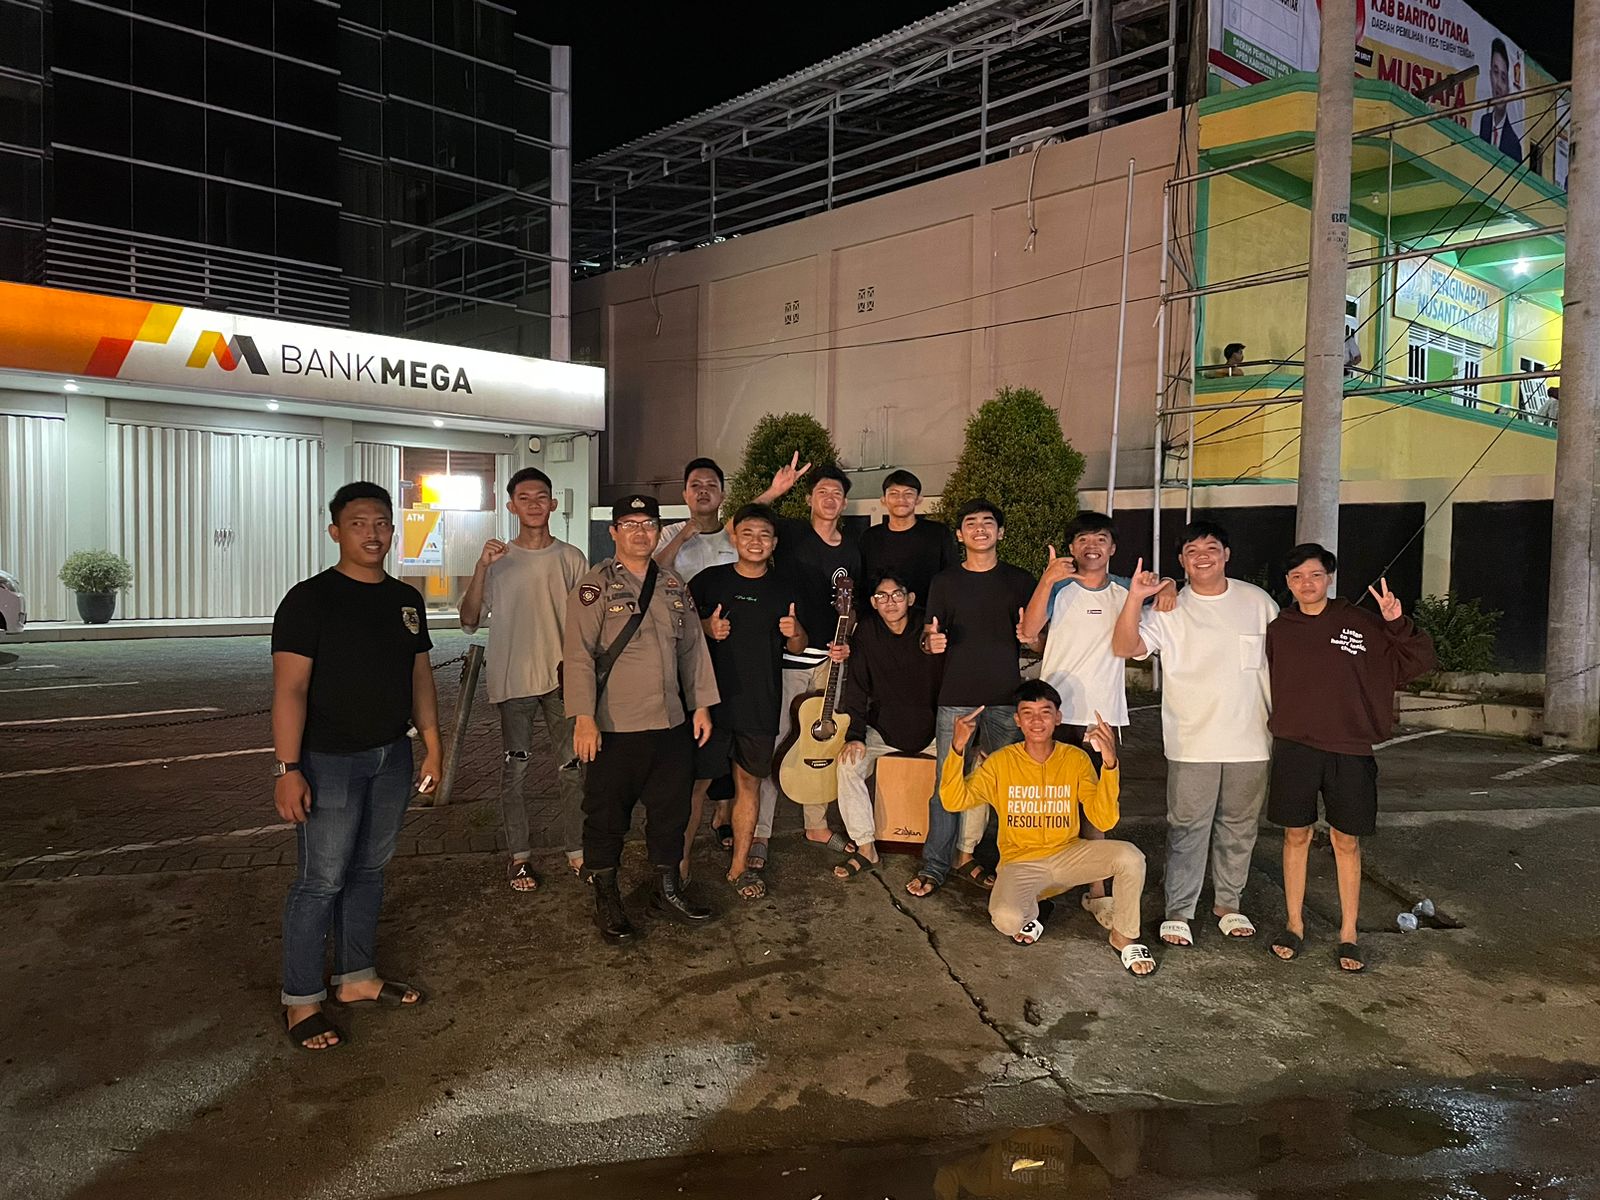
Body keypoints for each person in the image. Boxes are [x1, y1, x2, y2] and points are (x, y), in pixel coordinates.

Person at [271, 481, 440, 1052]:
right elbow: (290, 689)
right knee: (321, 880)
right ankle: (301, 999)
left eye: (382, 523)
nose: (373, 533)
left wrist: (434, 745)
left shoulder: (406, 600)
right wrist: (288, 768)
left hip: (391, 756)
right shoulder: (309, 600)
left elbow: (420, 676)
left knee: (370, 869)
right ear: (335, 531)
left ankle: (356, 977)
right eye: (359, 523)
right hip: (328, 762)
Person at [1265, 545, 1436, 973]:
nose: (1307, 583)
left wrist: (1396, 621)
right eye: (1297, 577)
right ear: (1288, 584)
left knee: (1346, 841)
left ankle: (1348, 933)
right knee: (1295, 836)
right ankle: (1294, 924)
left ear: (1329, 578)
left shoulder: (1359, 622)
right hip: (1294, 747)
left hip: (1350, 748)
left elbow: (1418, 661)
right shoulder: (1280, 629)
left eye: (1315, 575)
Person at [1112, 520, 1277, 950]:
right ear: (1182, 561)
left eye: (1211, 548)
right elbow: (1125, 647)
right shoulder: (1169, 608)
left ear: (1226, 555)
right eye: (1192, 551)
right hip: (1191, 739)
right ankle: (1179, 910)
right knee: (1187, 828)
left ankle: (1228, 904)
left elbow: (1284, 662)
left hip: (1251, 738)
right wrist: (1137, 597)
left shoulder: (1257, 602)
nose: (1202, 557)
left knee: (1239, 827)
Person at [564, 495, 718, 944]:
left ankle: (666, 890)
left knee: (671, 812)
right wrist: (583, 718)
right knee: (605, 816)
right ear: (613, 532)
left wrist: (701, 704)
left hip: (669, 723)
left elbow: (692, 648)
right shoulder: (594, 586)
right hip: (613, 726)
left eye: (648, 524)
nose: (640, 532)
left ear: (657, 531)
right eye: (629, 524)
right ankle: (607, 898)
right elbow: (578, 656)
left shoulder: (672, 584)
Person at [1018, 511, 1173, 926]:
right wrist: (1047, 578)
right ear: (1072, 547)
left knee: (1096, 806)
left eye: (1100, 539)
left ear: (1112, 547)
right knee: (1046, 802)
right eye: (1083, 539)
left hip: (1101, 716)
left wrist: (1170, 584)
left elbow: (1162, 592)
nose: (1092, 546)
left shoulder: (1125, 589)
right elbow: (1030, 630)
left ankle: (1097, 891)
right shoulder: (1059, 586)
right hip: (1053, 715)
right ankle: (1039, 884)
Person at [939, 681, 1155, 976]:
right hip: (1020, 862)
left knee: (1130, 858)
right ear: (1017, 720)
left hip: (1068, 855)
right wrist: (957, 747)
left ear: (1058, 718)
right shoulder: (1002, 762)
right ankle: (1036, 907)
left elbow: (1104, 820)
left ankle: (1124, 937)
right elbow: (953, 800)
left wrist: (1109, 763)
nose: (1037, 720)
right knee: (1006, 920)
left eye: (1045, 712)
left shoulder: (1075, 759)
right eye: (1027, 713)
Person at [459, 467, 588, 892]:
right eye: (524, 498)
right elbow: (469, 621)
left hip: (562, 682)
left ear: (553, 504)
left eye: (541, 497)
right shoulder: (498, 560)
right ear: (511, 506)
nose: (534, 504)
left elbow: (588, 624)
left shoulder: (572, 558)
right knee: (515, 771)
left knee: (573, 769)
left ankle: (577, 851)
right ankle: (519, 858)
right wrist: (481, 567)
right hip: (513, 680)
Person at [917, 499, 1039, 897]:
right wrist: (931, 644)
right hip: (956, 698)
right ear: (959, 534)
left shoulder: (1020, 580)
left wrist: (1032, 638)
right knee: (946, 784)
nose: (980, 528)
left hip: (1006, 699)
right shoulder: (944, 582)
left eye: (988, 522)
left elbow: (1039, 640)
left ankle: (1015, 866)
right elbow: (929, 637)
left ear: (1001, 532)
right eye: (971, 523)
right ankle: (935, 865)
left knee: (1010, 786)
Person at [691, 504, 807, 901]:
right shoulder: (709, 581)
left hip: (760, 703)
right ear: (734, 537)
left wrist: (795, 632)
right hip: (710, 704)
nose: (756, 542)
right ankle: (679, 866)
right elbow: (679, 629)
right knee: (695, 785)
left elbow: (799, 645)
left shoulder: (784, 587)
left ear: (774, 543)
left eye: (764, 535)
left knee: (749, 784)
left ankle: (739, 866)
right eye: (748, 533)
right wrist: (706, 627)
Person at [757, 461, 862, 870]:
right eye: (822, 492)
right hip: (788, 657)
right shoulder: (791, 534)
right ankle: (760, 831)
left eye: (837, 493)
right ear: (808, 499)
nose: (830, 499)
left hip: (830, 661)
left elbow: (854, 606)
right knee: (778, 740)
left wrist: (847, 641)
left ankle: (816, 825)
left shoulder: (852, 547)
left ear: (845, 502)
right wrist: (773, 490)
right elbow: (740, 525)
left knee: (822, 738)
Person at [655, 458, 740, 870]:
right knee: (694, 735)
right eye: (695, 484)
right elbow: (651, 573)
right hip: (683, 648)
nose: (703, 490)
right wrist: (686, 534)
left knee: (728, 729)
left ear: (722, 494)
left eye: (711, 484)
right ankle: (683, 830)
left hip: (730, 646)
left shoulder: (735, 534)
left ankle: (723, 812)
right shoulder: (669, 534)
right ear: (685, 494)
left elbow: (756, 529)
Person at [832, 567, 943, 879]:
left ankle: (959, 851)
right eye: (882, 596)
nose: (890, 602)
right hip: (883, 730)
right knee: (848, 765)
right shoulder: (866, 632)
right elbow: (857, 687)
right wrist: (855, 735)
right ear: (873, 601)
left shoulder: (929, 629)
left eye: (897, 595)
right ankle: (865, 846)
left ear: (910, 598)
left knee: (967, 771)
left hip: (934, 731)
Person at [858, 469, 956, 603]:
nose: (901, 499)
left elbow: (951, 576)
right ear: (883, 500)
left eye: (908, 494)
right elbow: (863, 584)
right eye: (894, 494)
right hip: (883, 613)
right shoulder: (870, 537)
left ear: (918, 499)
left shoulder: (938, 533)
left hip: (930, 612)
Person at [1477, 39, 1523, 164]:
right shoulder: (1484, 122)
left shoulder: (1514, 144)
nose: (1498, 84)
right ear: (1490, 75)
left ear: (1509, 87)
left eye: (1503, 78)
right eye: (1495, 72)